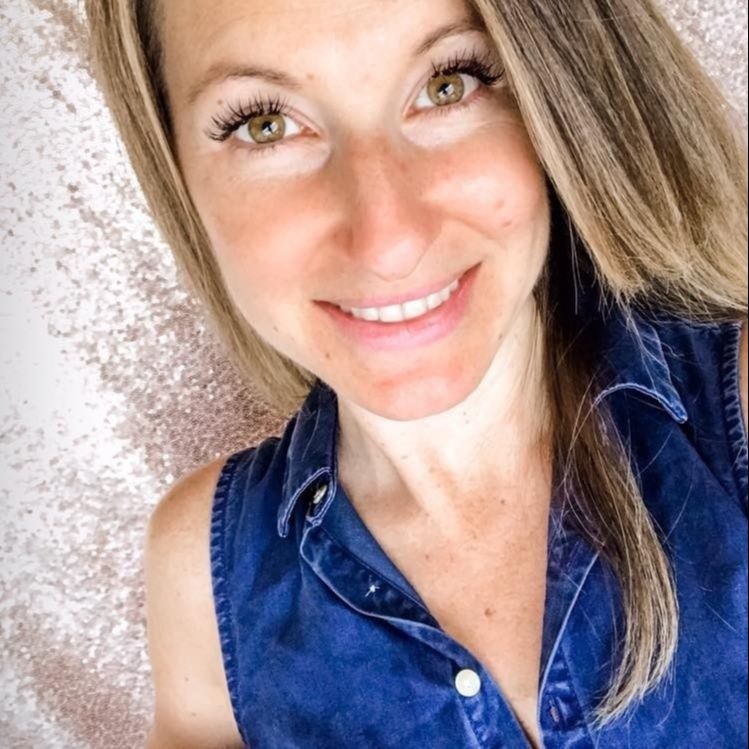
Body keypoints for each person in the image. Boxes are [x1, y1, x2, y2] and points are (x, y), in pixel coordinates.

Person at [84, 0, 748, 747]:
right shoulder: (202, 574)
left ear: (555, 94)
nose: (388, 242)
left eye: (447, 84)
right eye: (264, 125)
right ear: (178, 172)